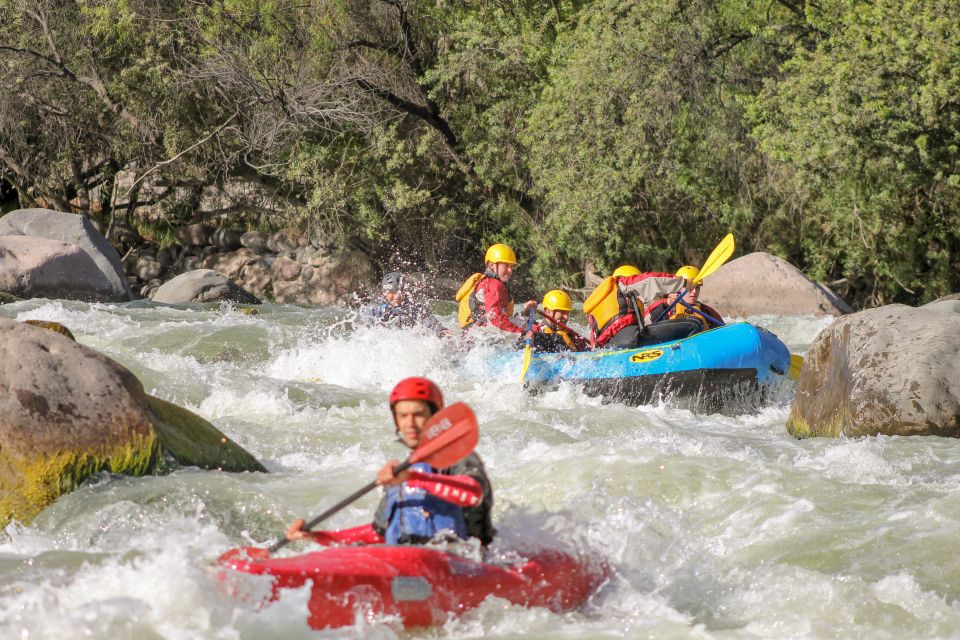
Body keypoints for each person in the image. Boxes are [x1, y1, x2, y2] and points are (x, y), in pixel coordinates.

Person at [285, 377, 495, 547]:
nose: (410, 423)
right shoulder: (403, 472)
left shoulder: (458, 456)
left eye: (418, 414)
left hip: (461, 564)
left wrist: (413, 478)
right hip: (408, 565)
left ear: (435, 416)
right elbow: (378, 534)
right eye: (403, 416)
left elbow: (474, 493)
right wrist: (320, 537)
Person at [584, 265, 699, 349]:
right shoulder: (624, 283)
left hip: (611, 346)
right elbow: (652, 280)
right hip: (631, 339)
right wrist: (683, 283)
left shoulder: (600, 302)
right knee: (694, 324)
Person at [455, 243, 537, 336]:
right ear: (491, 265)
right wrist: (522, 333)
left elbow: (500, 317)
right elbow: (496, 318)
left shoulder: (487, 282)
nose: (510, 270)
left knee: (531, 324)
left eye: (512, 266)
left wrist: (524, 313)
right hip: (482, 339)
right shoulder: (494, 284)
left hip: (474, 336)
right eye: (506, 265)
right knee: (544, 337)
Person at [362, 271, 450, 337]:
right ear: (384, 292)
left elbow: (435, 326)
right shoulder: (374, 310)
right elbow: (367, 334)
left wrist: (442, 331)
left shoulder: (415, 308)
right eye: (392, 292)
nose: (396, 296)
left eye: (400, 292)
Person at [647, 266, 724, 332]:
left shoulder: (706, 311)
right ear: (678, 288)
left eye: (697, 287)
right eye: (690, 287)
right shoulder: (664, 305)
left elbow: (723, 331)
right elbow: (645, 324)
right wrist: (666, 305)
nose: (694, 291)